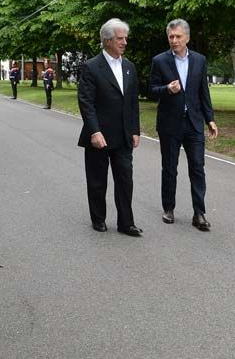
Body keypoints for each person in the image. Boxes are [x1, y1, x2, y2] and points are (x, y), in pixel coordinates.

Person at [150, 19, 218, 231]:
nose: (174, 40)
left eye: (178, 36)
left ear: (187, 37)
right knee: (170, 168)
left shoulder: (199, 60)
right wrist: (166, 89)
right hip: (170, 123)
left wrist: (210, 119)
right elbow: (151, 90)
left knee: (197, 168)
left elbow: (203, 93)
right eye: (171, 36)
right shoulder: (160, 61)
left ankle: (199, 213)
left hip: (194, 124)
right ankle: (168, 208)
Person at [78, 18, 142, 237]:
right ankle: (98, 218)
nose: (124, 42)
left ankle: (126, 222)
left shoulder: (129, 67)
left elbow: (133, 102)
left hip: (124, 136)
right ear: (107, 41)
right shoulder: (91, 67)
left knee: (125, 180)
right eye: (119, 38)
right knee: (97, 181)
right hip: (100, 135)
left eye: (125, 38)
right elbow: (86, 102)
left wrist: (135, 130)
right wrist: (94, 131)